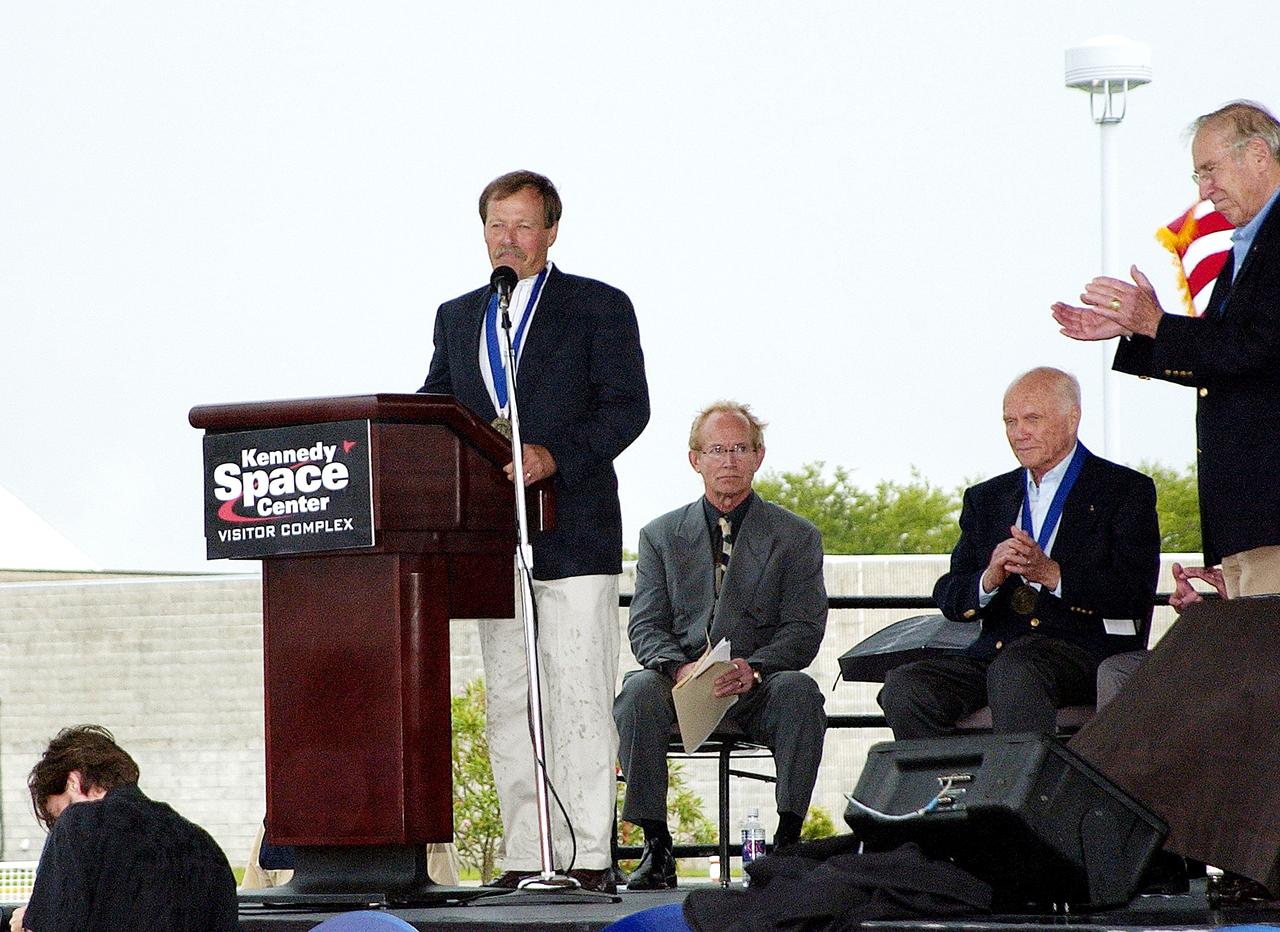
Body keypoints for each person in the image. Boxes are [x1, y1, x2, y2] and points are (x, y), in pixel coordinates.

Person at [419, 170, 649, 893]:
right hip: (493, 540)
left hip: (573, 532)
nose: (508, 240)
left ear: (552, 232)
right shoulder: (459, 317)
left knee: (577, 695)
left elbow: (627, 408)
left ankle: (584, 857)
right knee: (510, 698)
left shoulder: (598, 307)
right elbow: (435, 408)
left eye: (522, 226)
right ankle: (527, 852)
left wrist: (556, 454)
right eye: (496, 226)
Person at [1053, 100, 1280, 598]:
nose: (1205, 190)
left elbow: (1256, 347)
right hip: (1247, 522)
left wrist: (1156, 323)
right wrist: (1139, 332)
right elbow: (1223, 361)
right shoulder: (1250, 242)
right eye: (1198, 175)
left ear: (1259, 154)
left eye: (1211, 170)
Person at [614, 401, 827, 890]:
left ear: (758, 456)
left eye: (739, 449)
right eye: (717, 450)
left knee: (801, 692)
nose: (728, 461)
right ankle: (656, 844)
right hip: (681, 683)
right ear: (696, 460)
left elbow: (804, 627)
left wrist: (755, 667)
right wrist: (677, 668)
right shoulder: (660, 535)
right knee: (636, 692)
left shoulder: (796, 536)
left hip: (757, 686)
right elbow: (645, 624)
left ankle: (788, 842)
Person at [878, 368, 1160, 738]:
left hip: (1085, 653)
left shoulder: (1123, 490)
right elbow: (949, 595)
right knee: (905, 687)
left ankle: (1020, 792)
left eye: (1032, 419)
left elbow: (1133, 593)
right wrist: (989, 579)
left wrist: (1051, 574)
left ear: (1072, 417)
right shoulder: (987, 498)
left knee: (1018, 669)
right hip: (997, 652)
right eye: (1010, 421)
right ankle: (943, 792)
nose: (1018, 432)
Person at [11, 724, 238, 932]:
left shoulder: (78, 824)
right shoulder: (204, 845)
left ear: (74, 782)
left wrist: (29, 921)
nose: (58, 828)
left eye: (59, 813)